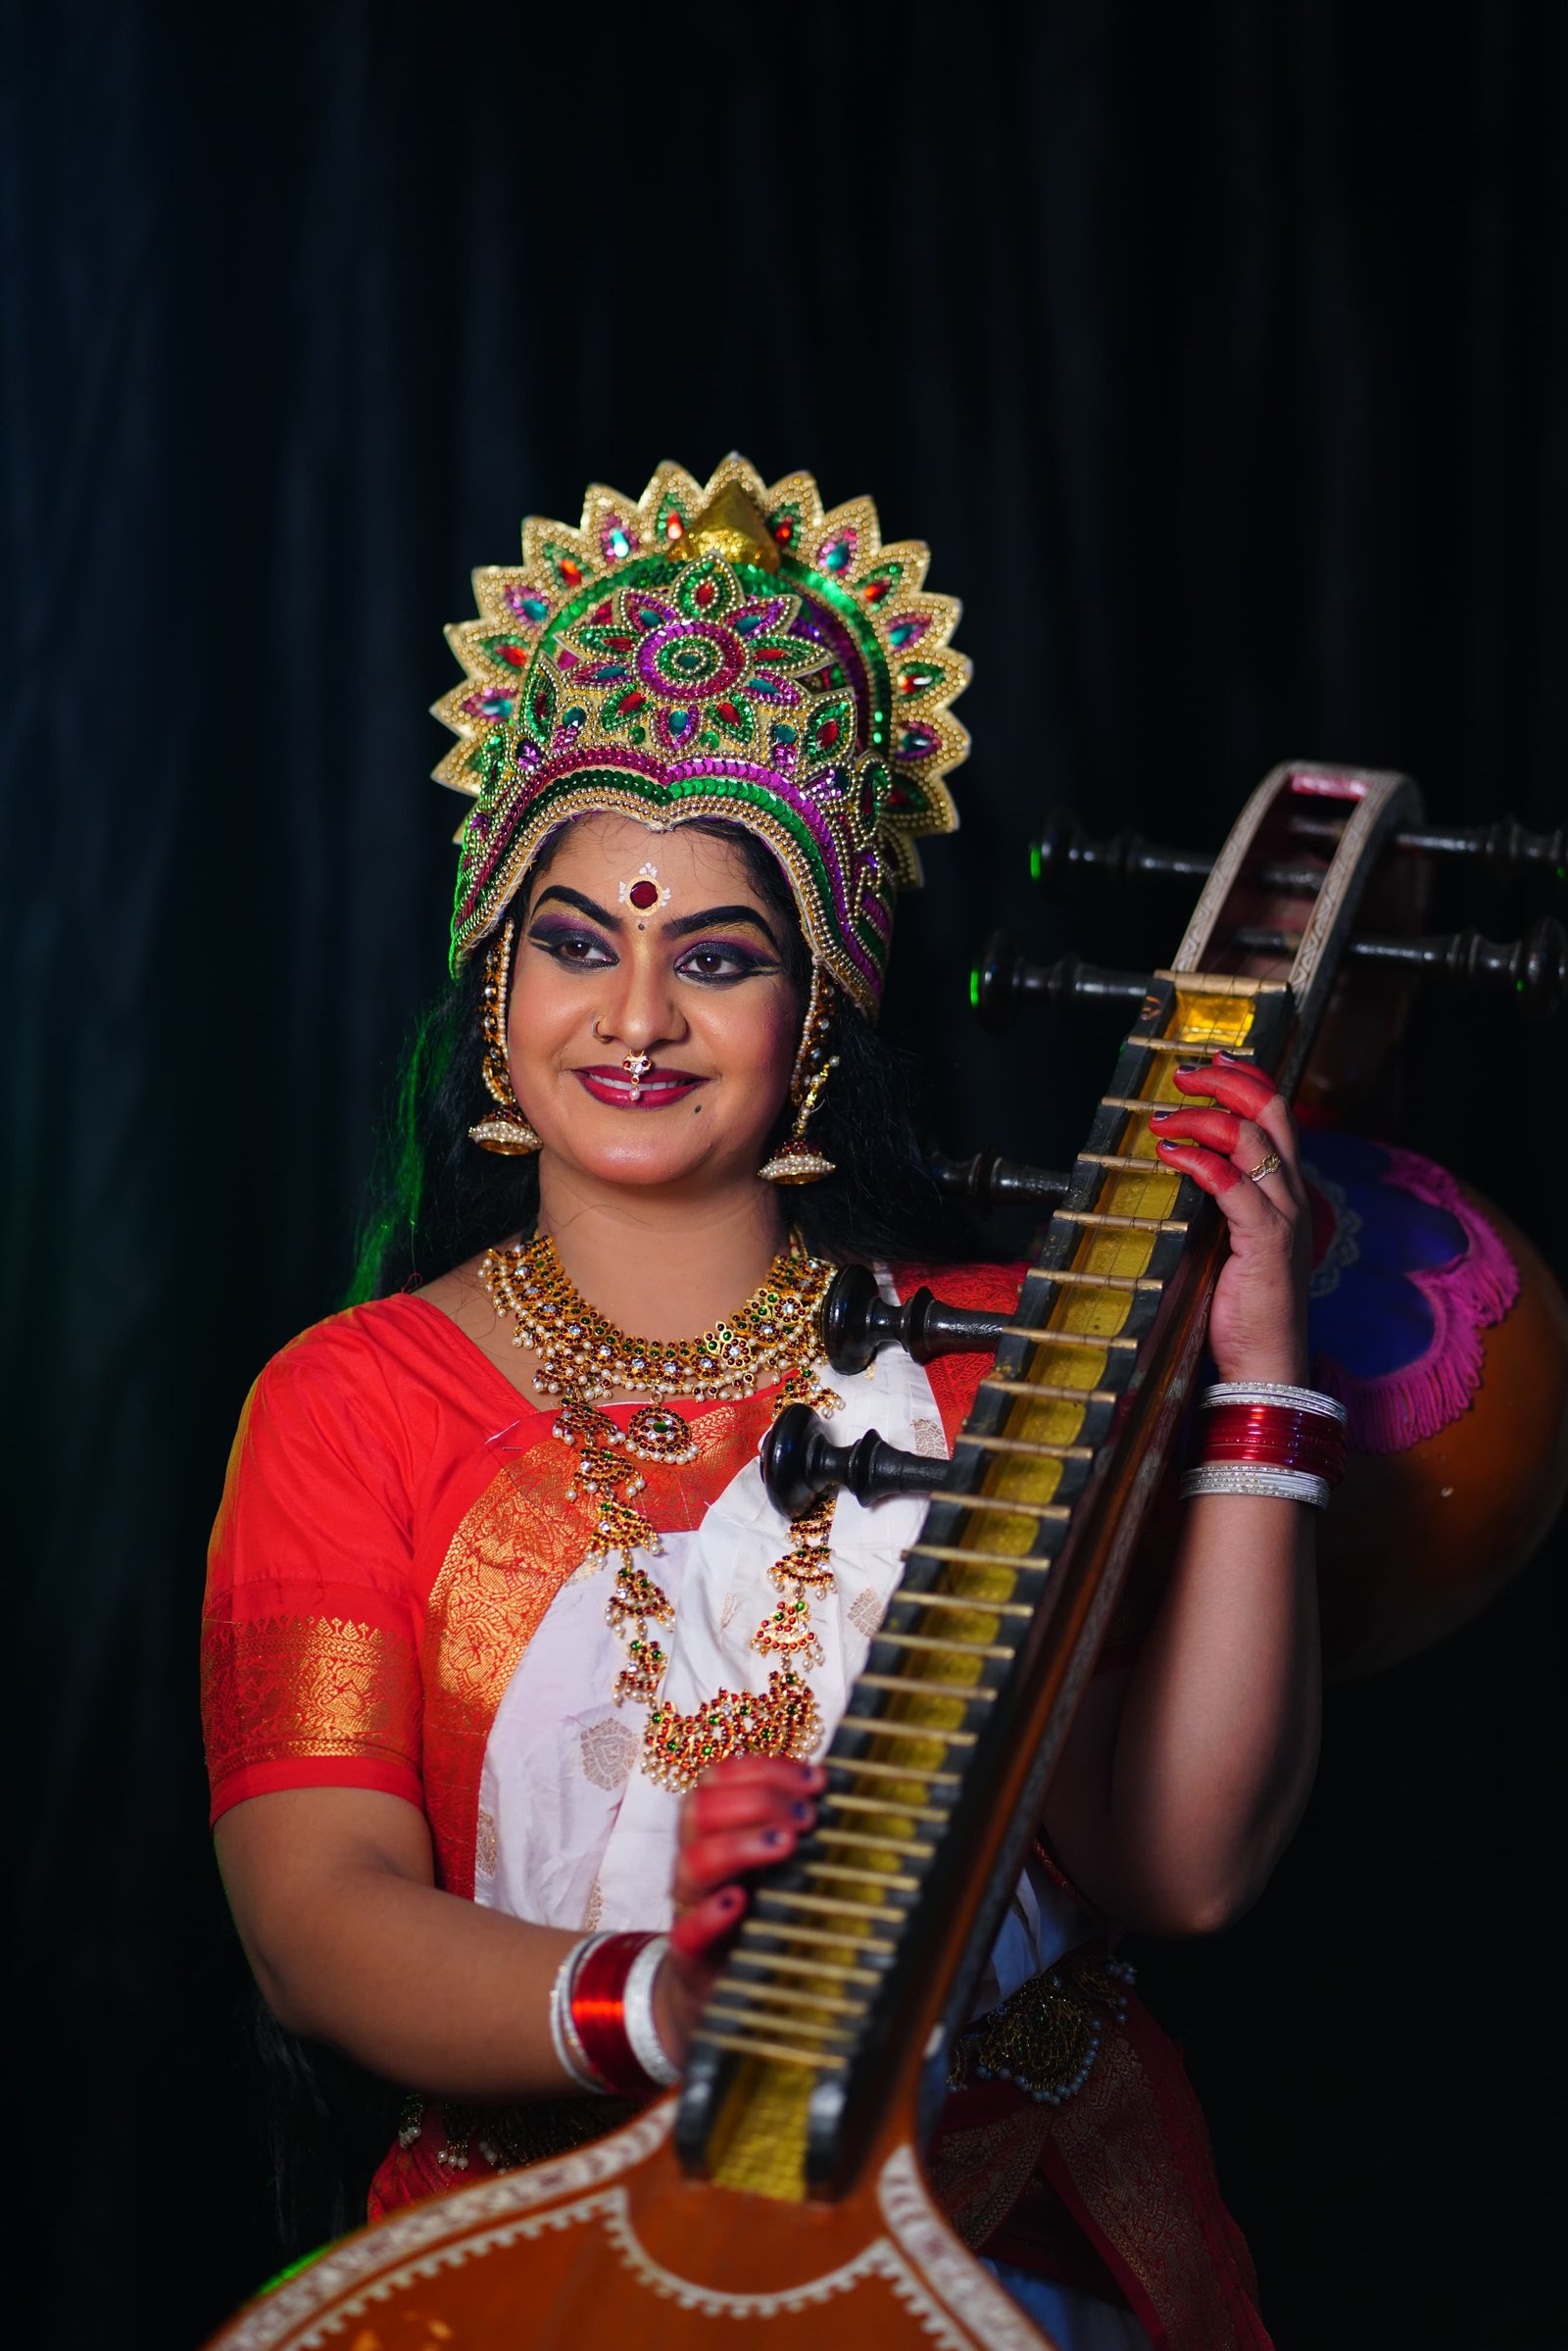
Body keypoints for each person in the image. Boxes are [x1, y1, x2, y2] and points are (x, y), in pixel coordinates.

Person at [203, 457, 1323, 2351]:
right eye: (577, 939)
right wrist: (661, 2001)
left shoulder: (997, 1352)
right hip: (542, 2287)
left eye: (715, 958)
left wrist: (1264, 1381)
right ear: (497, 983)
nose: (634, 1016)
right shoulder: (351, 1405)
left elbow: (1177, 1858)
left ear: (816, 1011)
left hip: (989, 2263)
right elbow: (314, 1919)